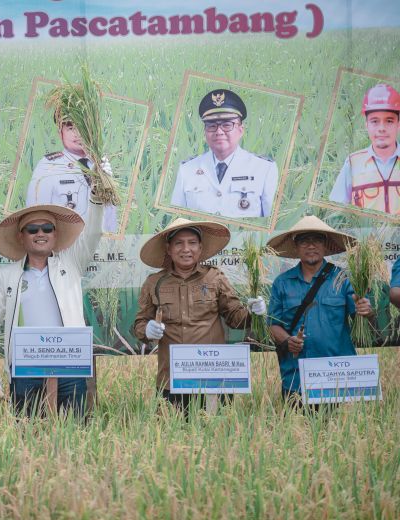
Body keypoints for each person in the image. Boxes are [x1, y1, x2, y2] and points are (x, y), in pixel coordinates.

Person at [0, 160, 111, 418]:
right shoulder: (7, 276)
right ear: (21, 236)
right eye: (32, 229)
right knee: (27, 437)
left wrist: (97, 193)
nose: (40, 233)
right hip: (25, 370)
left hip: (69, 368)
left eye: (47, 228)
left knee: (73, 435)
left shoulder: (71, 263)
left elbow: (94, 232)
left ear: (55, 233)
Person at [132, 217, 266, 412]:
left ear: (200, 248)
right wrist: (147, 329)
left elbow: (236, 319)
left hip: (212, 377)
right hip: (171, 379)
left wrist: (254, 313)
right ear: (169, 249)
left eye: (192, 243)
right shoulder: (154, 282)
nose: (186, 249)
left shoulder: (215, 277)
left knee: (216, 436)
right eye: (179, 243)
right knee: (172, 437)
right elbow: (139, 324)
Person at [266, 216, 373, 403]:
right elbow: (273, 324)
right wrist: (288, 340)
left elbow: (363, 319)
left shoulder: (344, 279)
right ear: (296, 246)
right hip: (297, 375)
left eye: (317, 240)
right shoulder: (282, 283)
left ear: (325, 245)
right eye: (304, 240)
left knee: (342, 429)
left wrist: (366, 310)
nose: (311, 245)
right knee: (297, 428)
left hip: (338, 374)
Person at [171, 89, 278, 218]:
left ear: (240, 130)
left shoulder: (264, 169)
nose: (219, 132)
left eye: (227, 125)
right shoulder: (187, 169)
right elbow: (177, 221)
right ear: (205, 131)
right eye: (211, 125)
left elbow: (272, 223)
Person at [26, 117, 118, 232]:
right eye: (71, 128)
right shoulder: (49, 166)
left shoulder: (101, 166)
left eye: (82, 127)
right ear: (60, 132)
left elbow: (110, 222)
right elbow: (34, 216)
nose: (78, 134)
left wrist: (107, 182)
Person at [329, 83, 400, 215]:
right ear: (366, 124)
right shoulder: (353, 163)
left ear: (398, 124)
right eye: (375, 121)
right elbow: (335, 211)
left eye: (389, 121)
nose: (381, 128)